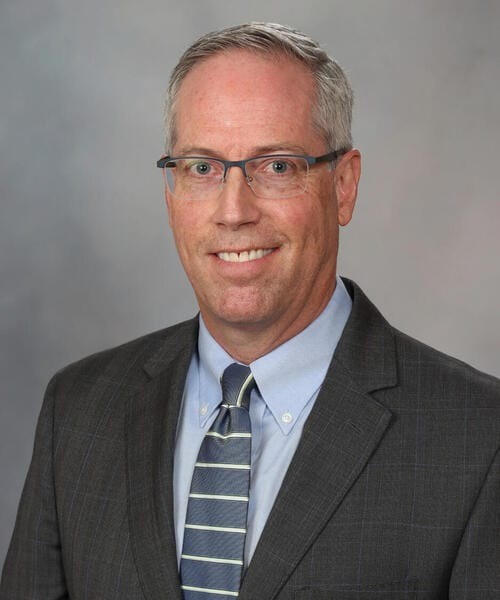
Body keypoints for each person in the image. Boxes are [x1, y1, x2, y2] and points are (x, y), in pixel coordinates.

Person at [1, 22, 499, 600]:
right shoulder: (79, 410)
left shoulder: (478, 438)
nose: (234, 211)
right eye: (202, 168)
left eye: (277, 166)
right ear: (170, 193)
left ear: (343, 185)